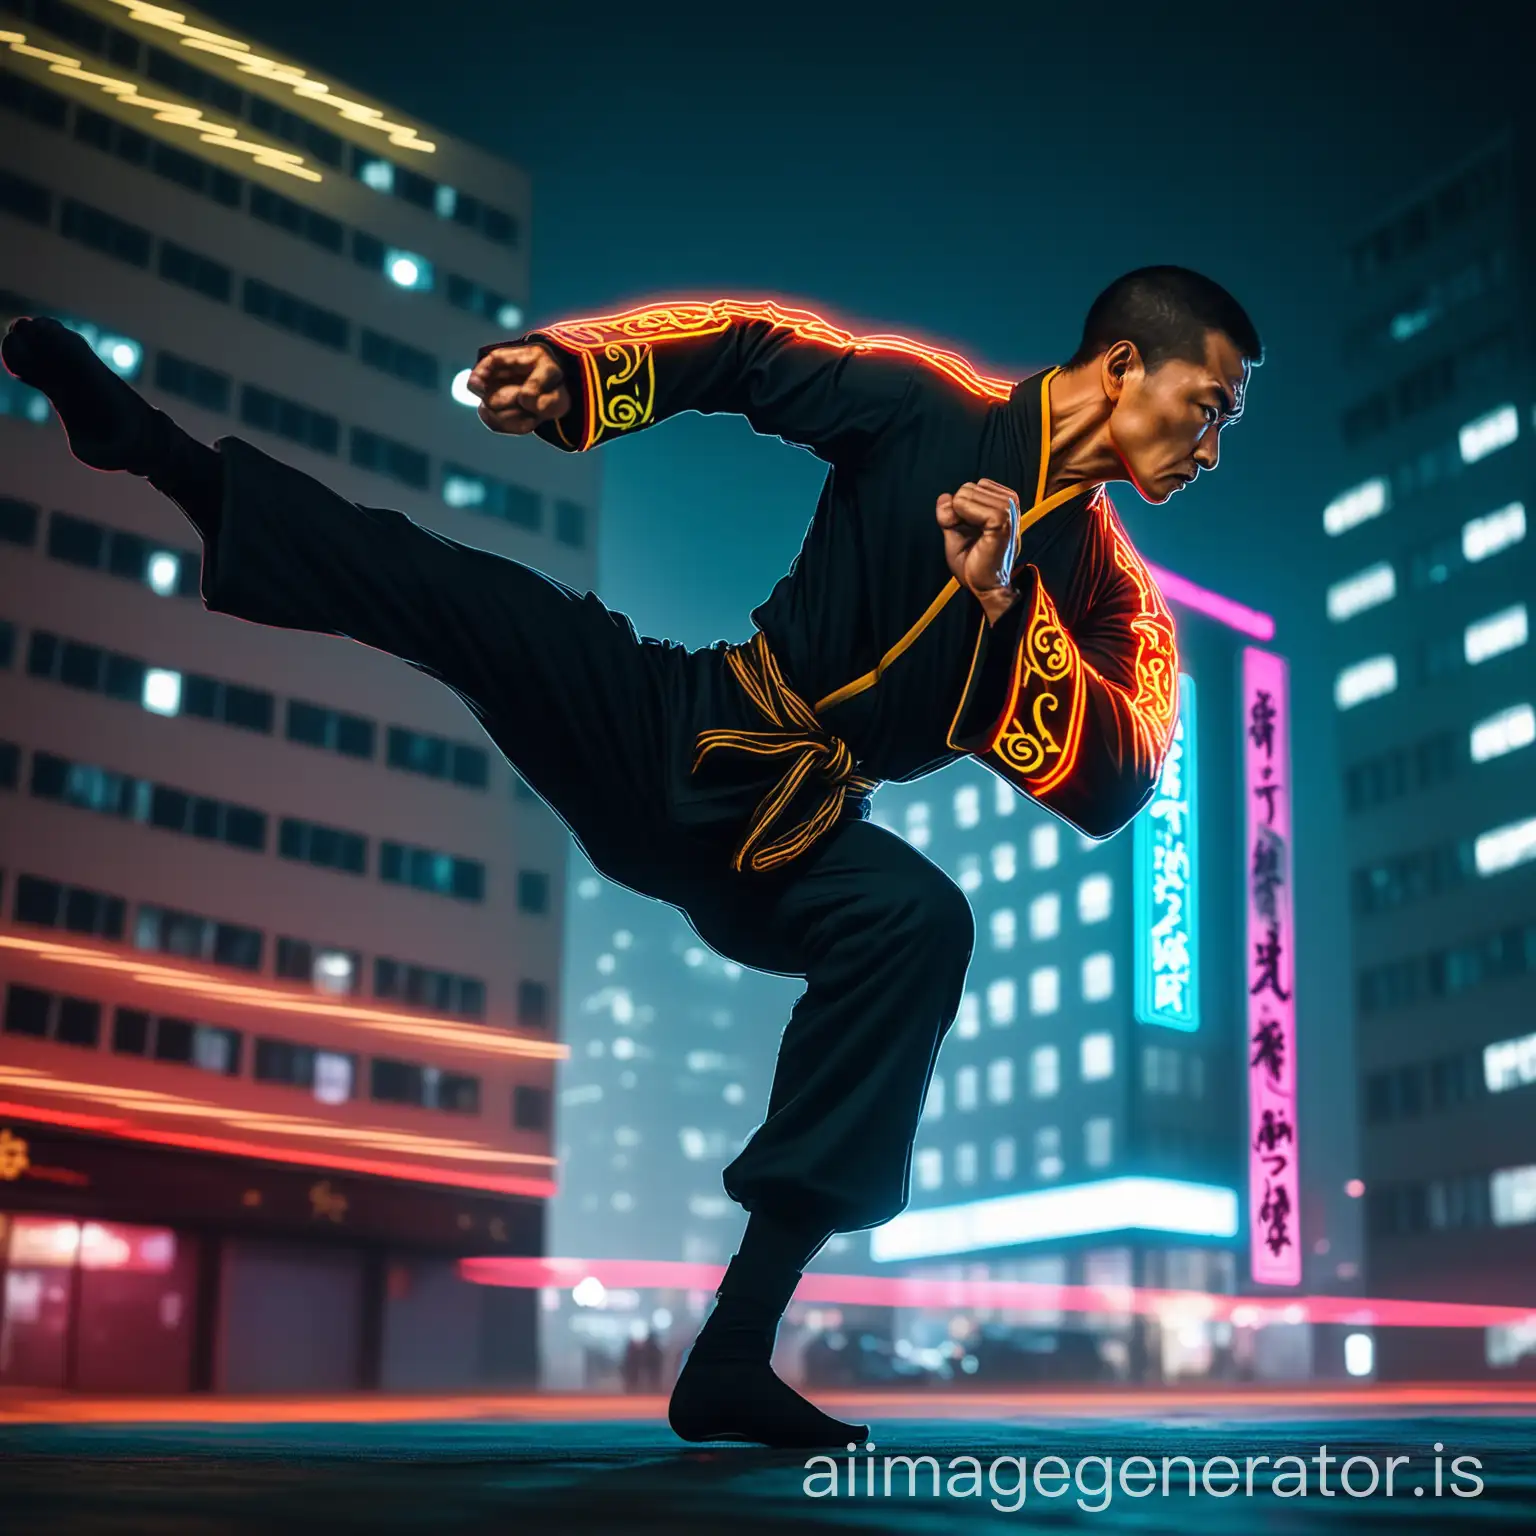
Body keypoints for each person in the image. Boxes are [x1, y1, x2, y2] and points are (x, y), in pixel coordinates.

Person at [1, 264, 1258, 1448]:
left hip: (798, 842)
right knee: (462, 599)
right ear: (1121, 364)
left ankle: (732, 1355)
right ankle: (156, 453)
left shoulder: (1107, 592)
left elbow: (1124, 775)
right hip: (679, 725)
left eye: (1225, 429)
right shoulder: (930, 411)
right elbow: (754, 356)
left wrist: (1007, 615)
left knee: (920, 922)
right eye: (1205, 410)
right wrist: (579, 378)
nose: (1211, 451)